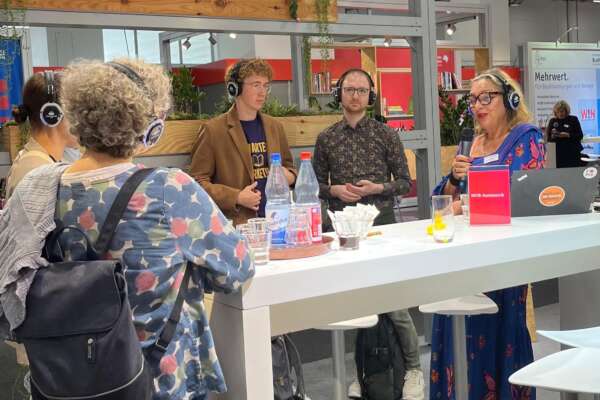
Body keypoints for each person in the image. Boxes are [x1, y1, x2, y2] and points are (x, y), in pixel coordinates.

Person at [3, 58, 254, 400]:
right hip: (155, 379)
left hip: (66, 377)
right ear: (149, 125)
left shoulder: (39, 188)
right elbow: (237, 268)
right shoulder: (169, 190)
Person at [430, 69, 545, 400]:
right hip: (463, 257)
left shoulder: (526, 137)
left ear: (509, 99)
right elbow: (440, 202)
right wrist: (453, 178)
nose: (478, 106)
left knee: (498, 332)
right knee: (456, 328)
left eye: (486, 97)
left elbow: (524, 193)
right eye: (472, 99)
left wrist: (465, 203)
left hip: (503, 260)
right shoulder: (472, 143)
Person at [313, 68, 424, 400]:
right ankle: (363, 372)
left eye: (362, 90)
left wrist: (378, 186)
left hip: (381, 222)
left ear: (370, 96)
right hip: (342, 225)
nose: (356, 95)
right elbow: (315, 184)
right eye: (350, 89)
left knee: (393, 300)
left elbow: (404, 181)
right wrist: (334, 188)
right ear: (340, 94)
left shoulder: (386, 135)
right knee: (354, 302)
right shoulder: (327, 138)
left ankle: (413, 368)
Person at [189, 58, 296, 226]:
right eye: (255, 85)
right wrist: (236, 197)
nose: (263, 92)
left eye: (266, 85)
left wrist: (288, 176)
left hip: (277, 221)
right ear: (235, 88)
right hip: (236, 226)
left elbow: (290, 169)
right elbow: (195, 183)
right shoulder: (214, 130)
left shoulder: (275, 127)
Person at [6, 71, 78, 198]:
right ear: (52, 115)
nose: (82, 120)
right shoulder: (37, 173)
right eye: (75, 110)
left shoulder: (39, 162)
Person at [546, 100, 586, 168]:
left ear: (566, 111)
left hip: (573, 152)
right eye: (558, 112)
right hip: (558, 155)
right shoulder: (553, 121)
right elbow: (549, 139)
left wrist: (568, 135)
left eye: (562, 111)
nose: (560, 114)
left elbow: (580, 135)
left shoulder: (573, 119)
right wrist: (553, 136)